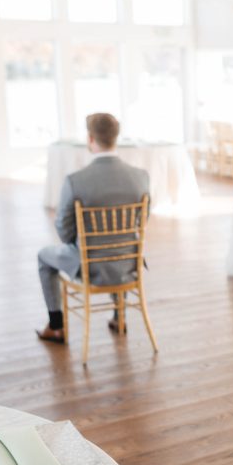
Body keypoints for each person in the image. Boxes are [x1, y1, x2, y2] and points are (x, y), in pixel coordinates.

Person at [36, 113, 150, 343]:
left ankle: (56, 326)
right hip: (128, 262)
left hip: (90, 266)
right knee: (119, 244)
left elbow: (64, 230)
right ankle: (119, 317)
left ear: (90, 138)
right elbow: (142, 221)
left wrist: (79, 242)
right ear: (115, 137)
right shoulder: (141, 177)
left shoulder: (75, 181)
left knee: (43, 256)